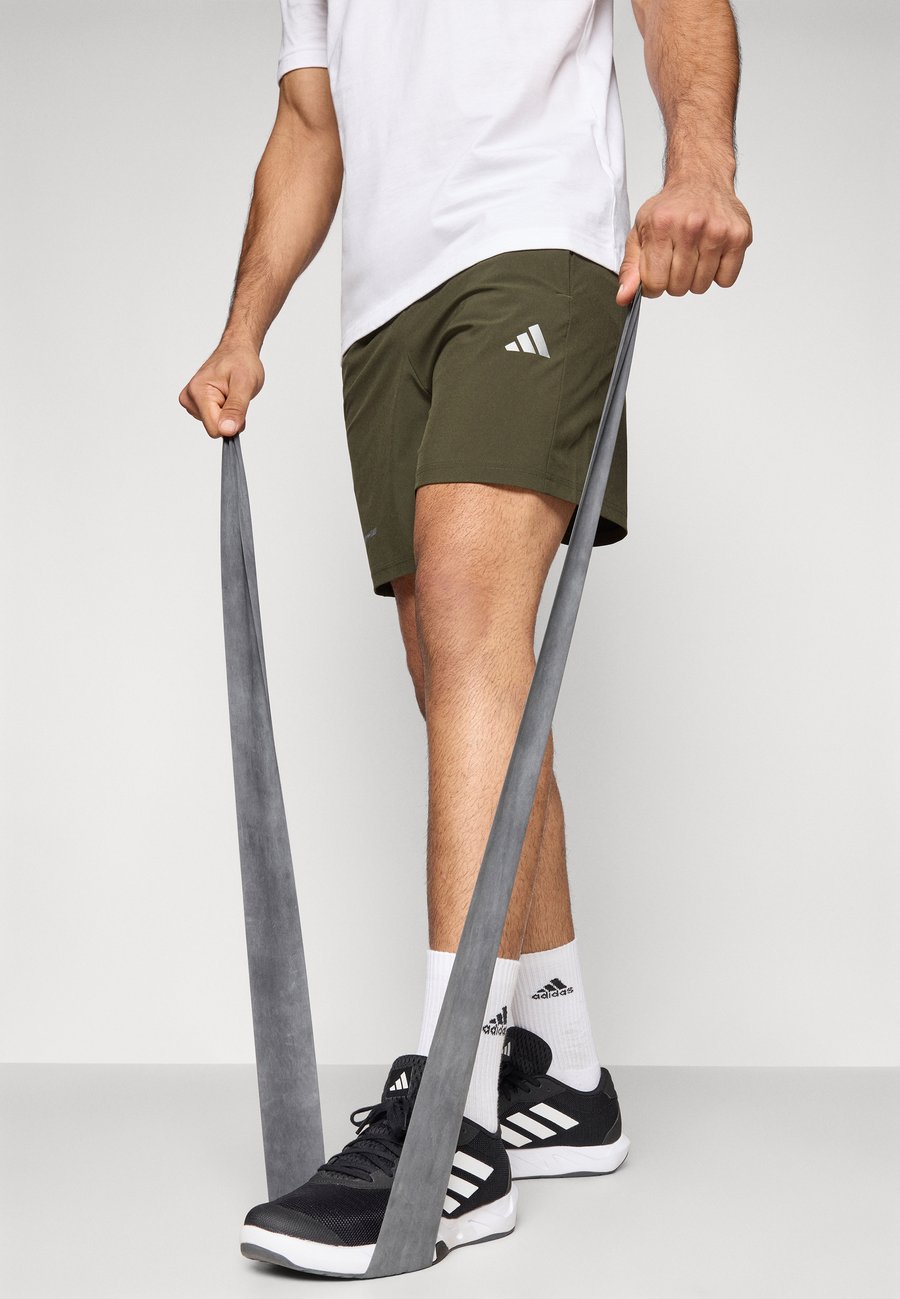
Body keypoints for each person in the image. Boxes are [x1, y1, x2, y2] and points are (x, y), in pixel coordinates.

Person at [180, 0, 752, 1278]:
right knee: (454, 677)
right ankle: (561, 1064)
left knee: (472, 622)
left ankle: (456, 1119)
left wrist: (700, 161)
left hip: (533, 243)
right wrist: (243, 330)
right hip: (382, 311)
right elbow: (309, 122)